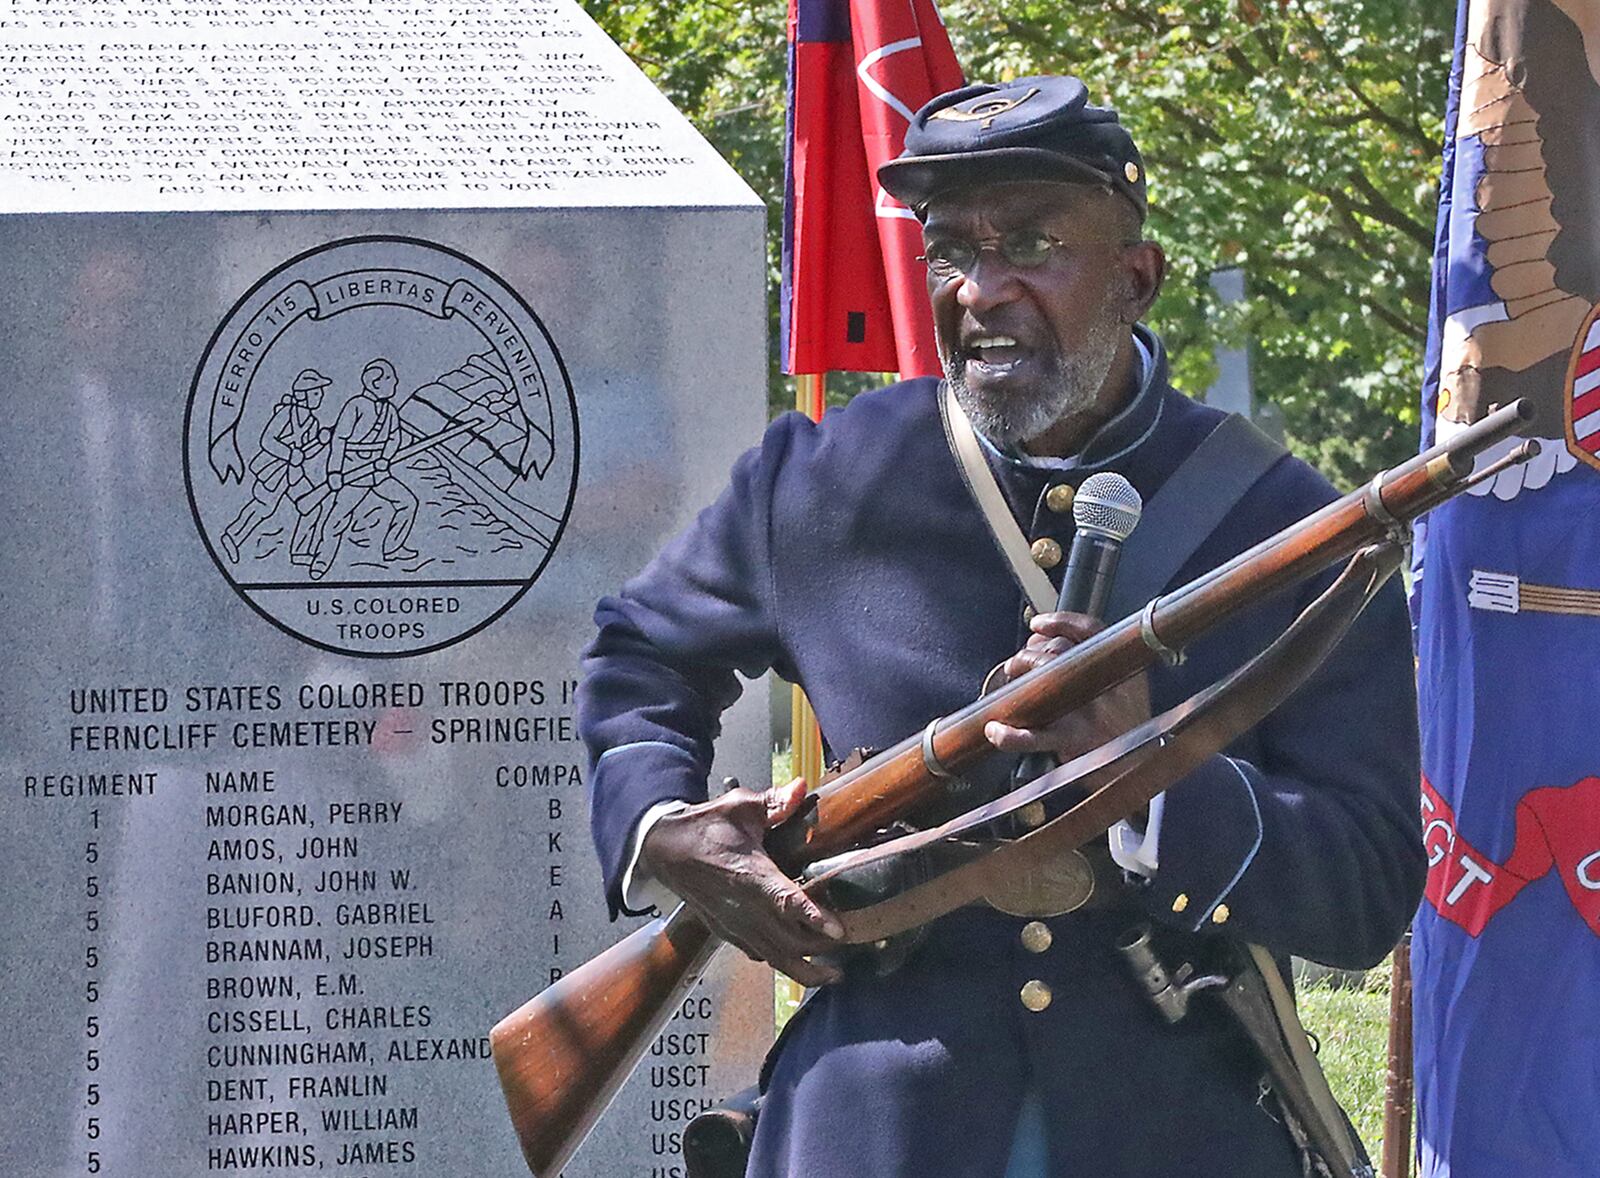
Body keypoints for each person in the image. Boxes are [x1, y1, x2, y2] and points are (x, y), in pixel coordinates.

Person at [579, 76, 1423, 1177]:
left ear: (1138, 276)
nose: (981, 289)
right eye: (950, 249)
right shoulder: (824, 480)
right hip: (876, 1122)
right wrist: (664, 830)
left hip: (1174, 1120)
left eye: (1030, 243)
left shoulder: (1291, 527)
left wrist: (1152, 770)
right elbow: (639, 652)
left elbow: (1362, 890)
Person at [310, 357, 419, 580]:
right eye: (389, 378)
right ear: (374, 383)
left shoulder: (390, 410)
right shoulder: (356, 406)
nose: (396, 381)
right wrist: (334, 472)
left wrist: (385, 459)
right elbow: (339, 440)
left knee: (408, 502)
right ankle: (321, 560)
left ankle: (392, 548)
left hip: (378, 472)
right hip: (354, 472)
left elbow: (394, 437)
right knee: (337, 519)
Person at [221, 367, 331, 565]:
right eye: (316, 392)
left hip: (294, 474)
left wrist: (321, 443)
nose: (320, 396)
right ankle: (233, 537)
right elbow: (267, 440)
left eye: (320, 392)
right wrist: (290, 454)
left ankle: (299, 552)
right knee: (263, 508)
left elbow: (306, 454)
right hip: (274, 471)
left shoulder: (313, 422)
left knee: (312, 507)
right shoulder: (286, 414)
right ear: (303, 395)